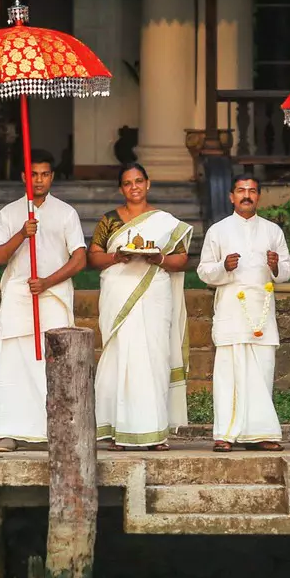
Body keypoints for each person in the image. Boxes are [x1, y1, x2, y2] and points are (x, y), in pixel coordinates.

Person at [0, 149, 87, 449]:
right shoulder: (9, 213)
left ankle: (54, 430)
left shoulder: (66, 213)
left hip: (52, 296)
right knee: (14, 363)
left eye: (44, 174)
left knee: (54, 362)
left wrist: (47, 282)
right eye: (33, 175)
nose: (38, 180)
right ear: (24, 177)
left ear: (52, 177)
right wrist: (22, 233)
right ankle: (9, 431)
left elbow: (79, 258)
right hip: (19, 297)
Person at [88, 163, 193, 449]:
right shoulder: (109, 220)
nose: (133, 187)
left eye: (138, 181)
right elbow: (93, 256)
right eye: (127, 183)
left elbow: (181, 259)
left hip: (154, 295)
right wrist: (116, 258)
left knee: (153, 358)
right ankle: (119, 431)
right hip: (119, 291)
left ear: (148, 183)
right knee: (121, 357)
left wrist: (158, 259)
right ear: (121, 188)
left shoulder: (165, 221)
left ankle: (155, 431)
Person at [196, 174, 290, 451]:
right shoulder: (218, 231)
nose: (246, 195)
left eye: (251, 191)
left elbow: (287, 270)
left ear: (258, 196)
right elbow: (204, 271)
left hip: (261, 312)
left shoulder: (273, 231)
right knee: (228, 375)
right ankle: (224, 434)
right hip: (230, 310)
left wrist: (276, 267)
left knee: (262, 372)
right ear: (231, 196)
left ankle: (260, 434)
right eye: (241, 190)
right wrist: (223, 267)